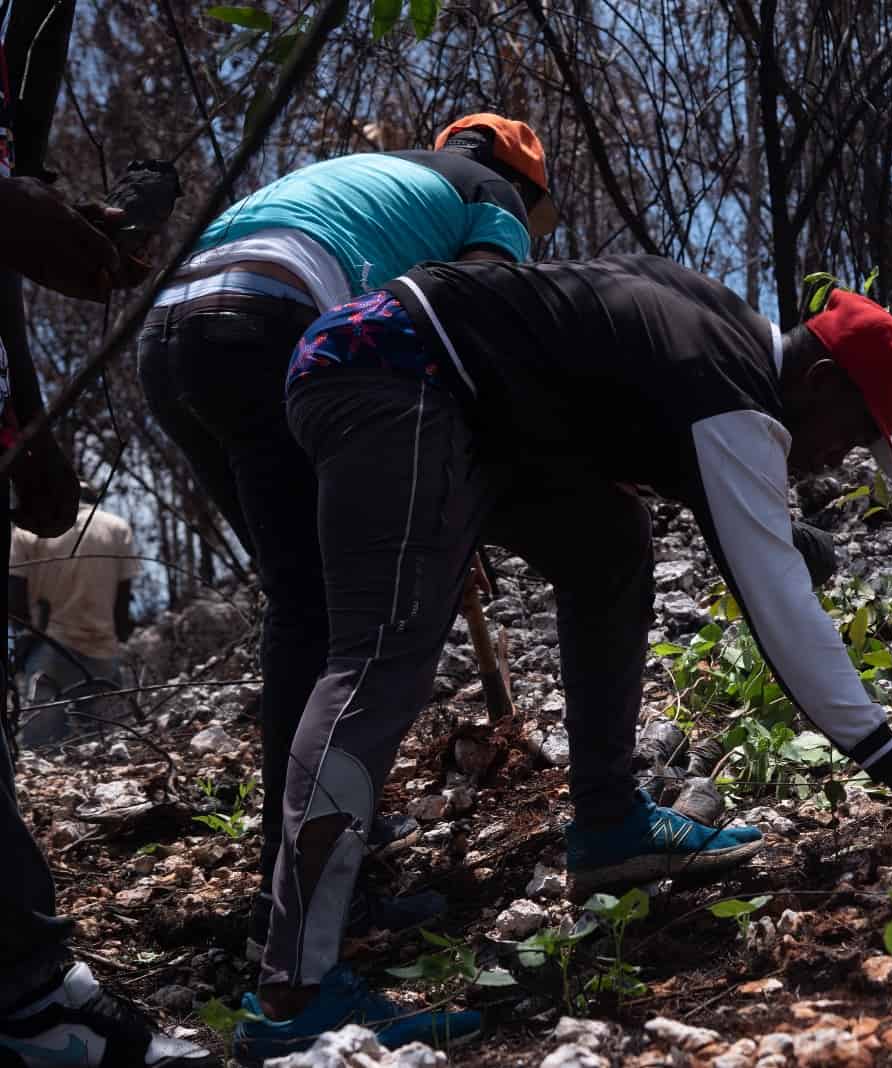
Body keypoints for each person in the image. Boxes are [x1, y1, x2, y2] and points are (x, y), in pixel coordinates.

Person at [231, 254, 892, 1061]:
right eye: (852, 434)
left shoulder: (718, 331)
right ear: (817, 380)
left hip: (448, 394)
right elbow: (779, 603)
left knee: (609, 540)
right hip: (392, 374)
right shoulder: (728, 387)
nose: (836, 460)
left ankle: (608, 823)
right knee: (379, 664)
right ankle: (294, 992)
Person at [135, 113, 559, 957]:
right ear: (529, 185)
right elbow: (469, 324)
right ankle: (302, 900)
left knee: (304, 602)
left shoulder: (364, 172)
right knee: (329, 621)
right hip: (268, 320)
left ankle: (297, 871)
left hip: (170, 336)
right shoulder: (492, 195)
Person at [0, 1, 214, 1064]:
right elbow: (121, 610)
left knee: (32, 745)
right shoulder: (121, 526)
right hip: (88, 655)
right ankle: (29, 993)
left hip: (48, 651)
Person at [9, 487, 139, 745]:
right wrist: (119, 635)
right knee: (107, 746)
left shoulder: (29, 532)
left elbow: (14, 592)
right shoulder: (117, 527)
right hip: (103, 649)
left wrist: (24, 642)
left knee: (42, 750)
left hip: (51, 649)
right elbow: (123, 595)